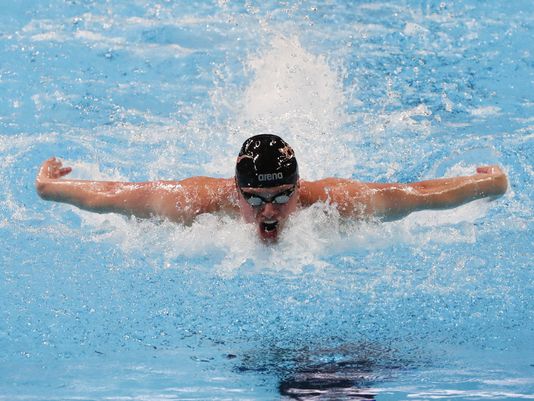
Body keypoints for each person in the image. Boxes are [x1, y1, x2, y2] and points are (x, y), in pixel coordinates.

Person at [36, 134, 508, 241]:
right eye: (257, 200)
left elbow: (415, 194)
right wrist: (49, 188)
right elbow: (114, 196)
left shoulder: (336, 202)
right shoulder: (193, 203)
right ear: (235, 192)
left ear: (299, 188)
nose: (270, 212)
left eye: (283, 196)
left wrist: (487, 185)